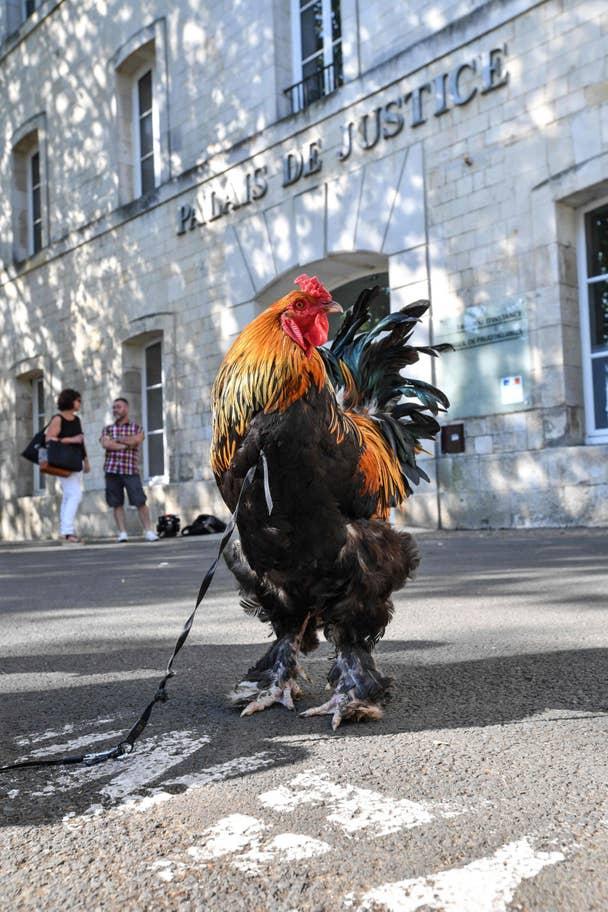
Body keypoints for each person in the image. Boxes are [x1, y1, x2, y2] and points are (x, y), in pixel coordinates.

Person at [100, 397, 158, 542]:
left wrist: (117, 440)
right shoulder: (107, 429)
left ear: (126, 408)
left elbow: (137, 440)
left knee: (140, 501)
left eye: (118, 407)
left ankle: (149, 531)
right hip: (112, 470)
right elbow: (106, 444)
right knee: (116, 503)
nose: (115, 410)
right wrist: (126, 443)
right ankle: (122, 533)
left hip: (130, 469)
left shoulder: (137, 428)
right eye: (114, 407)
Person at [45, 389, 91, 543]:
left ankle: (64, 531)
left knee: (68, 495)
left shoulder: (77, 420)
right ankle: (68, 531)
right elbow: (49, 439)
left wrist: (86, 460)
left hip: (75, 461)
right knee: (75, 494)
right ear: (70, 401)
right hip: (62, 461)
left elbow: (81, 441)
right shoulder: (58, 419)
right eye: (78, 400)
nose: (80, 403)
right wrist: (72, 440)